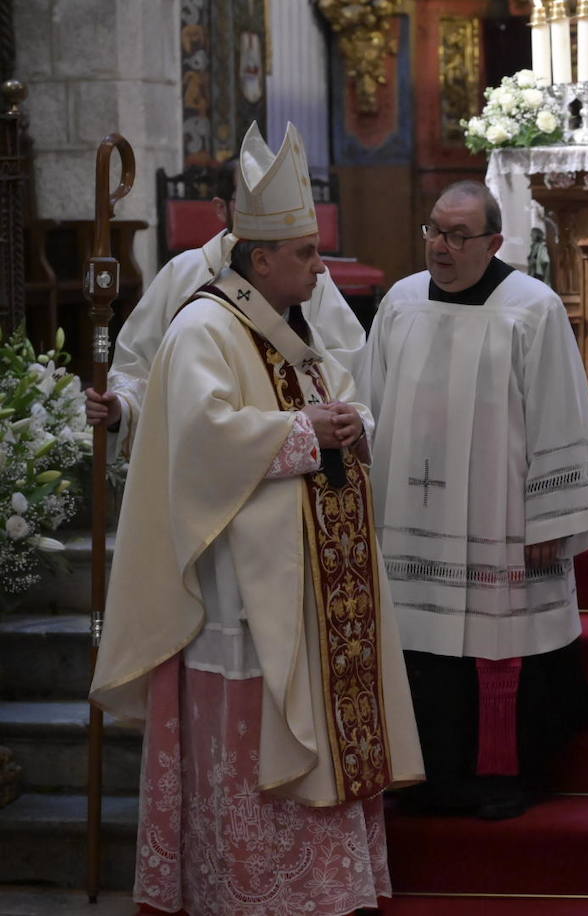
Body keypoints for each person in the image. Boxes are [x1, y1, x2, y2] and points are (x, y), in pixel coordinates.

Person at [89, 122, 423, 916]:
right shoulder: (206, 324)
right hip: (239, 594)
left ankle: (318, 888)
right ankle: (245, 890)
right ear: (259, 256)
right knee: (250, 736)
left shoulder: (293, 322)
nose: (320, 265)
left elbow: (347, 393)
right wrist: (308, 435)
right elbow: (200, 436)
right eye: (306, 254)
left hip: (306, 581)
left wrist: (349, 425)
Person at [361, 180, 588, 819]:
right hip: (409, 517)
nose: (440, 248)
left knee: (497, 647)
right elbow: (374, 402)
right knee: (420, 647)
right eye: (434, 232)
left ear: (495, 241)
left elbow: (561, 412)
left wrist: (553, 512)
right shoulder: (399, 302)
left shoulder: (532, 307)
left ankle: (499, 778)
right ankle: (420, 776)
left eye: (457, 236)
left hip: (500, 513)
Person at [83, 157, 364, 450]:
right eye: (250, 200)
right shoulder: (183, 275)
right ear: (220, 208)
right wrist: (122, 410)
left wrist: (339, 419)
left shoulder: (309, 278)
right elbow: (141, 369)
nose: (263, 207)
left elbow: (345, 363)